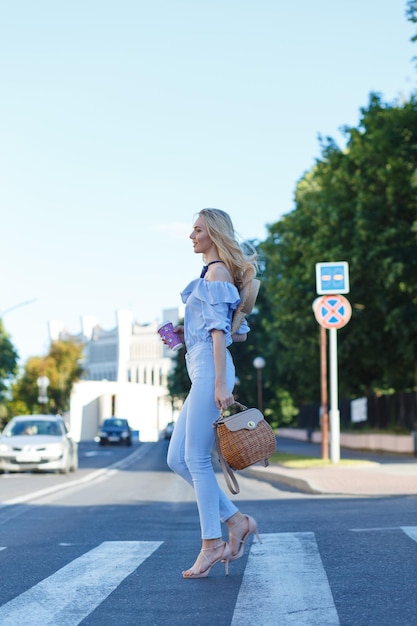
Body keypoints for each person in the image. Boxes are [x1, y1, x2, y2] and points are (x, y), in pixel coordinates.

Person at [166, 208, 261, 579]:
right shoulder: (209, 275)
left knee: (196, 458)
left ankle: (212, 544)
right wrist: (184, 336)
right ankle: (236, 522)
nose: (191, 235)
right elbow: (235, 331)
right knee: (177, 458)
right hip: (201, 366)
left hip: (211, 370)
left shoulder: (218, 271)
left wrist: (221, 382)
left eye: (198, 229)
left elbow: (222, 334)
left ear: (214, 234)